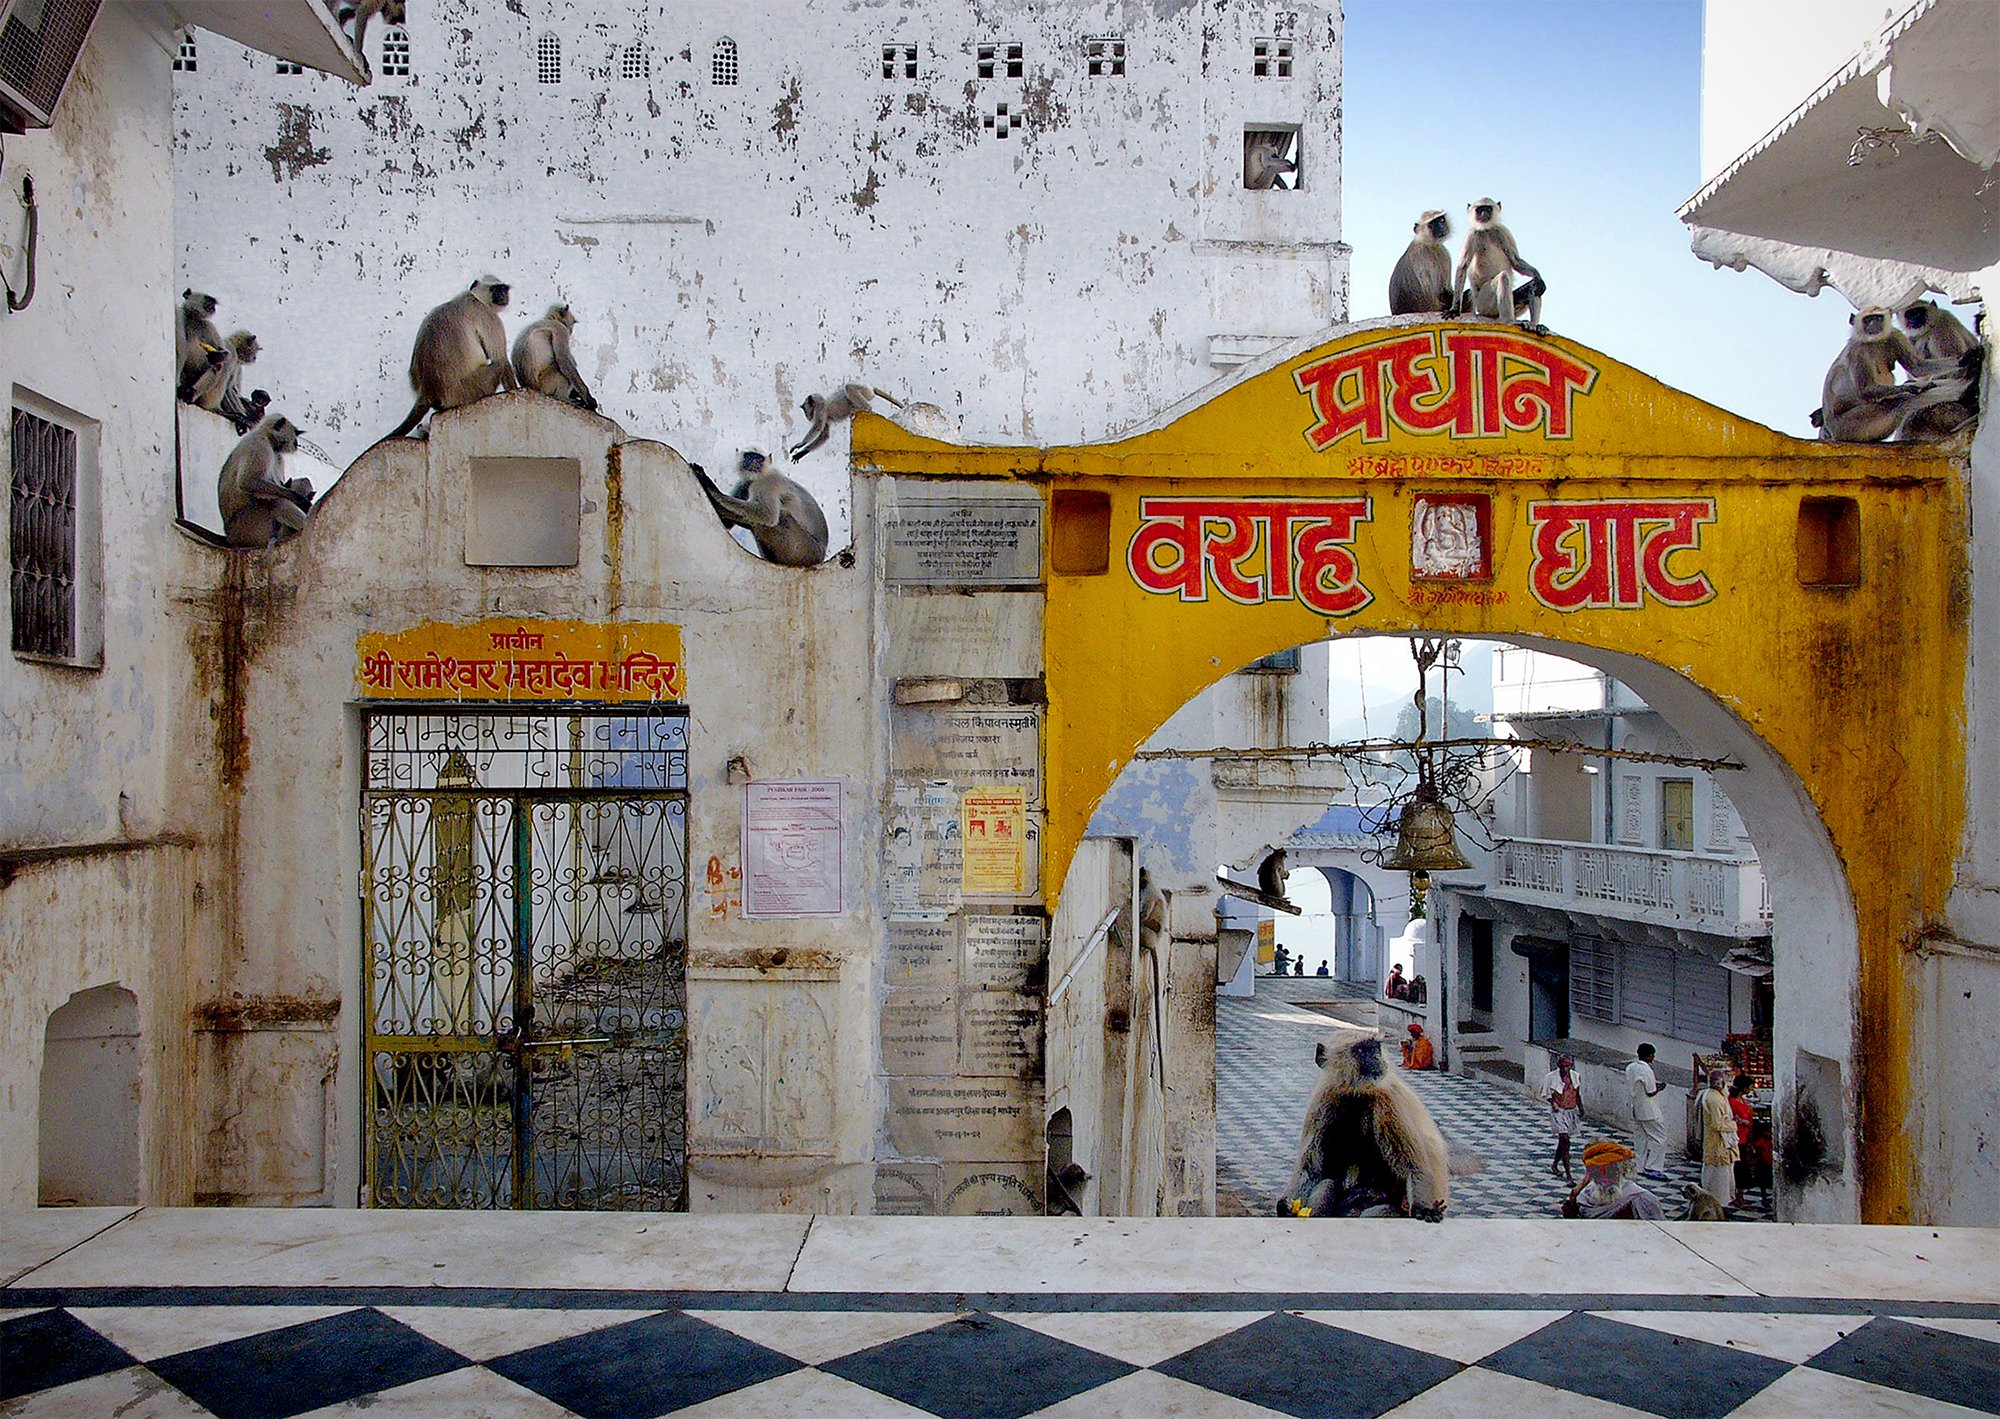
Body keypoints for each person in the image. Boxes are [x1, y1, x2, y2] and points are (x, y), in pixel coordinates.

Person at [1562, 1141, 1665, 1219]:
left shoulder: (1641, 1199)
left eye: (1609, 1169)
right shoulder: (1585, 1196)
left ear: (1622, 1169)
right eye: (1597, 1170)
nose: (1603, 1175)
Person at [1625, 1043, 1670, 1178]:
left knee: (1640, 1138)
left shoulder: (1631, 1067)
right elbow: (1650, 1091)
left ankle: (1640, 1166)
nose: (1653, 1057)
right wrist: (1660, 1088)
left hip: (1635, 1107)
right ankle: (1653, 1167)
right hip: (1648, 1110)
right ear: (1649, 1055)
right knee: (1660, 1137)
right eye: (1652, 1055)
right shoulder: (1646, 1070)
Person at [1697, 1068, 1740, 1208]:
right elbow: (1717, 1124)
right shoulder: (1714, 1099)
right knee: (1719, 1176)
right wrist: (1734, 1125)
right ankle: (1719, 1203)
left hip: (1719, 1142)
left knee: (1723, 1174)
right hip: (1718, 1142)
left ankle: (1720, 1202)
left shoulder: (1716, 1096)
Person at [1541, 1054, 1581, 1183]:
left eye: (1567, 1066)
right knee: (1565, 1140)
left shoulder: (1575, 1076)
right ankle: (1568, 1174)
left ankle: (1554, 1164)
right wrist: (1554, 1104)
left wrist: (1581, 1107)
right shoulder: (1551, 1077)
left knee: (1563, 1141)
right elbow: (1547, 1094)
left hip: (1571, 1111)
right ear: (1559, 1065)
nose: (1565, 1068)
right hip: (1558, 1112)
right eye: (1563, 1066)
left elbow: (1577, 1093)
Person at [1728, 1074, 1755, 1208]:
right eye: (1749, 1086)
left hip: (1744, 1138)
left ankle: (1740, 1196)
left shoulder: (1742, 1101)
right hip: (1736, 1139)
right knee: (1738, 1169)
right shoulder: (1732, 1102)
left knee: (1742, 1168)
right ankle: (1737, 1198)